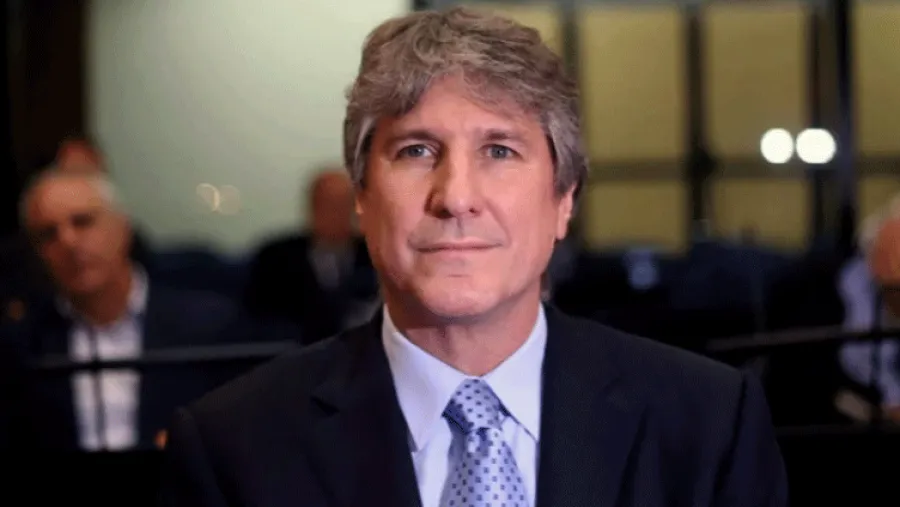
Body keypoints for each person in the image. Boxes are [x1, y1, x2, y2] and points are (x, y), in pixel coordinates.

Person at [159, 7, 787, 507]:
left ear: (563, 199)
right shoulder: (231, 448)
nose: (456, 196)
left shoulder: (709, 423)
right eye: (416, 151)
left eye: (500, 151)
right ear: (362, 199)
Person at [3, 169, 248, 452]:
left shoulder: (209, 324)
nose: (68, 242)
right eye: (48, 235)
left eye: (82, 222)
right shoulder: (23, 344)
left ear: (123, 227)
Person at [244, 169, 378, 344]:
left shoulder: (375, 255)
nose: (334, 214)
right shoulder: (276, 257)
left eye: (342, 205)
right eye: (326, 204)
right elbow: (258, 315)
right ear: (311, 207)